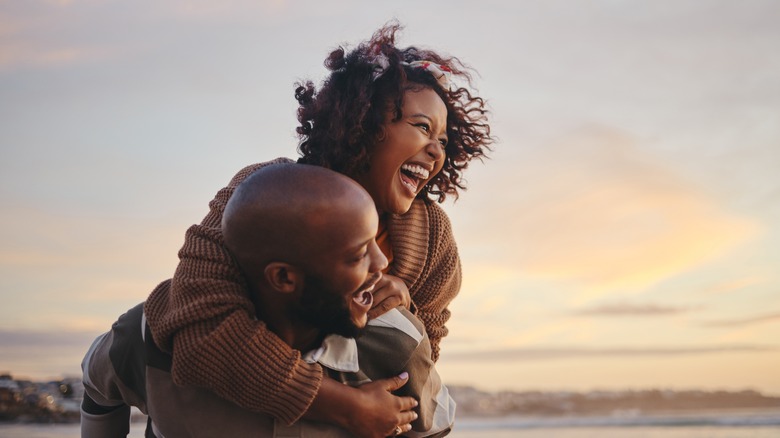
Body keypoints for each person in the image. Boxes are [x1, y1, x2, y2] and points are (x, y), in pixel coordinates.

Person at [143, 22, 492, 438]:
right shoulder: (263, 193)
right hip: (220, 412)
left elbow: (420, 366)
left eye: (444, 139)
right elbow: (201, 329)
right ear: (363, 122)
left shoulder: (432, 237)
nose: (436, 150)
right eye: (421, 126)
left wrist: (407, 313)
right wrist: (345, 407)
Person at [81, 163, 455, 437]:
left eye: (378, 240)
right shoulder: (153, 335)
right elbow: (97, 385)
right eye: (358, 254)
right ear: (284, 277)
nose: (384, 263)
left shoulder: (397, 343)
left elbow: (433, 429)